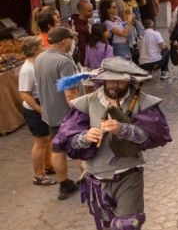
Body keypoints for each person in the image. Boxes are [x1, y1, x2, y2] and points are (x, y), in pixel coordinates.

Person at [52, 57, 171, 230]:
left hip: (128, 175)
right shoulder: (87, 103)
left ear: (129, 82)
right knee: (112, 223)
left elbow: (156, 135)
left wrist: (124, 129)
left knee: (128, 223)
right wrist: (85, 136)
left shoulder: (141, 101)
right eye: (111, 81)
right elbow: (65, 140)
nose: (115, 85)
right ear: (103, 81)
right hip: (96, 176)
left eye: (120, 82)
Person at [34, 27, 81, 200]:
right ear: (64, 41)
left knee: (58, 149)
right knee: (80, 149)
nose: (73, 42)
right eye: (71, 38)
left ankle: (64, 185)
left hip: (50, 114)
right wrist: (82, 112)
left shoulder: (40, 58)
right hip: (67, 115)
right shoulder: (65, 62)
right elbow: (71, 94)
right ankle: (91, 183)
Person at [19, 36, 56, 186]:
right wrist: (40, 109)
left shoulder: (37, 64)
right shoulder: (27, 70)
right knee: (40, 142)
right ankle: (38, 175)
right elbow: (24, 94)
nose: (45, 47)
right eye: (42, 45)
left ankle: (47, 166)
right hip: (35, 108)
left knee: (46, 139)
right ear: (35, 49)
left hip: (42, 105)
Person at [85, 23, 114, 90]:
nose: (108, 32)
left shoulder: (88, 47)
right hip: (106, 77)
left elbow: (87, 63)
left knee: (97, 96)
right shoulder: (107, 47)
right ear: (101, 33)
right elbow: (109, 64)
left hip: (95, 76)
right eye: (106, 31)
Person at [73, 0, 94, 66]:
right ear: (81, 11)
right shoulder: (78, 27)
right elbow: (82, 48)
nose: (92, 12)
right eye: (89, 11)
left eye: (92, 10)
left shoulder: (87, 22)